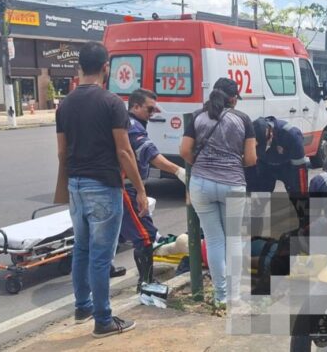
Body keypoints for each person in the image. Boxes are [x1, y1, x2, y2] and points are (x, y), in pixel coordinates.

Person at [56, 41, 147, 338]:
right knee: (100, 255)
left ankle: (83, 306)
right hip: (103, 186)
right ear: (105, 68)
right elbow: (124, 152)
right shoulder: (111, 103)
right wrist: (141, 189)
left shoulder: (65, 104)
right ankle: (103, 319)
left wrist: (72, 181)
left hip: (76, 185)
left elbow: (61, 153)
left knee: (81, 248)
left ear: (79, 68)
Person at [179, 77, 257, 307]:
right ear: (233, 98)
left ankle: (219, 296)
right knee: (233, 240)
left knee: (214, 240)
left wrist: (202, 163)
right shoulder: (243, 119)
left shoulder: (197, 117)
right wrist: (230, 165)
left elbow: (184, 150)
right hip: (232, 183)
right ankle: (233, 297)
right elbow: (251, 159)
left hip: (201, 184)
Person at [121, 88, 186, 291]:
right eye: (149, 109)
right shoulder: (133, 128)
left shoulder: (131, 123)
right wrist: (177, 171)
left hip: (129, 187)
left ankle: (141, 278)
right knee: (143, 237)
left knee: (146, 232)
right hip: (126, 188)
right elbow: (150, 154)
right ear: (135, 106)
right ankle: (146, 283)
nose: (153, 114)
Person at [247, 116, 308, 195]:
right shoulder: (250, 135)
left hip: (288, 166)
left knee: (299, 196)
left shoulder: (291, 135)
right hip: (265, 165)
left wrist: (302, 194)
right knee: (259, 198)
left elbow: (300, 170)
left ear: (270, 133)